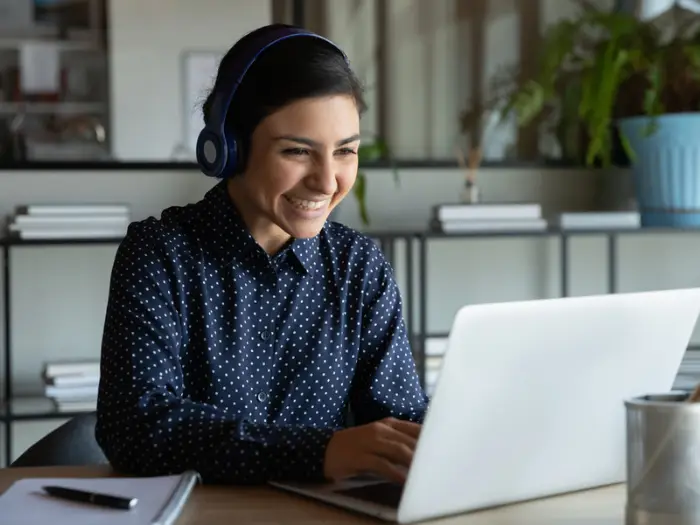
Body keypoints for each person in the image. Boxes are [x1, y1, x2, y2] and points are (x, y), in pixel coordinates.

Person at [94, 23, 428, 486]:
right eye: (298, 151)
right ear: (228, 148)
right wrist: (319, 453)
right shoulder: (160, 254)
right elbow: (136, 427)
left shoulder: (359, 266)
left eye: (346, 152)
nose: (328, 181)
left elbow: (402, 421)